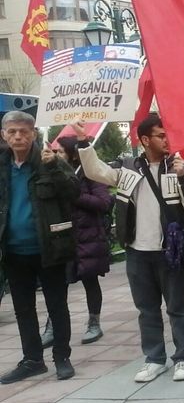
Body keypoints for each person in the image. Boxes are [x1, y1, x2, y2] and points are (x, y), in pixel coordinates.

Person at [73, 114, 184, 383]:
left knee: (177, 308)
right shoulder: (129, 168)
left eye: (168, 134)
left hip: (170, 252)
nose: (167, 140)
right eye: (161, 135)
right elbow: (96, 171)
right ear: (145, 139)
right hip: (137, 251)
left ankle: (183, 357)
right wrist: (83, 142)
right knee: (147, 309)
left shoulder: (181, 167)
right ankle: (154, 359)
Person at [0, 112, 78, 384]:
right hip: (13, 250)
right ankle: (33, 360)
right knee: (23, 309)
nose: (18, 136)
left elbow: (74, 192)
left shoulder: (49, 161)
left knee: (57, 306)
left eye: (23, 131)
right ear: (3, 135)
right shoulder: (2, 166)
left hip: (49, 248)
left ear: (33, 133)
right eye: (12, 131)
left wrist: (55, 167)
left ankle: (62, 357)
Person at [55, 136, 112, 345]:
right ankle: (53, 325)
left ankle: (94, 323)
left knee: (90, 281)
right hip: (62, 238)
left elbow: (104, 202)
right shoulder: (53, 174)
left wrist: (75, 195)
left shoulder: (89, 173)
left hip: (87, 237)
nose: (56, 155)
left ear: (72, 154)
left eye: (60, 151)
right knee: (57, 283)